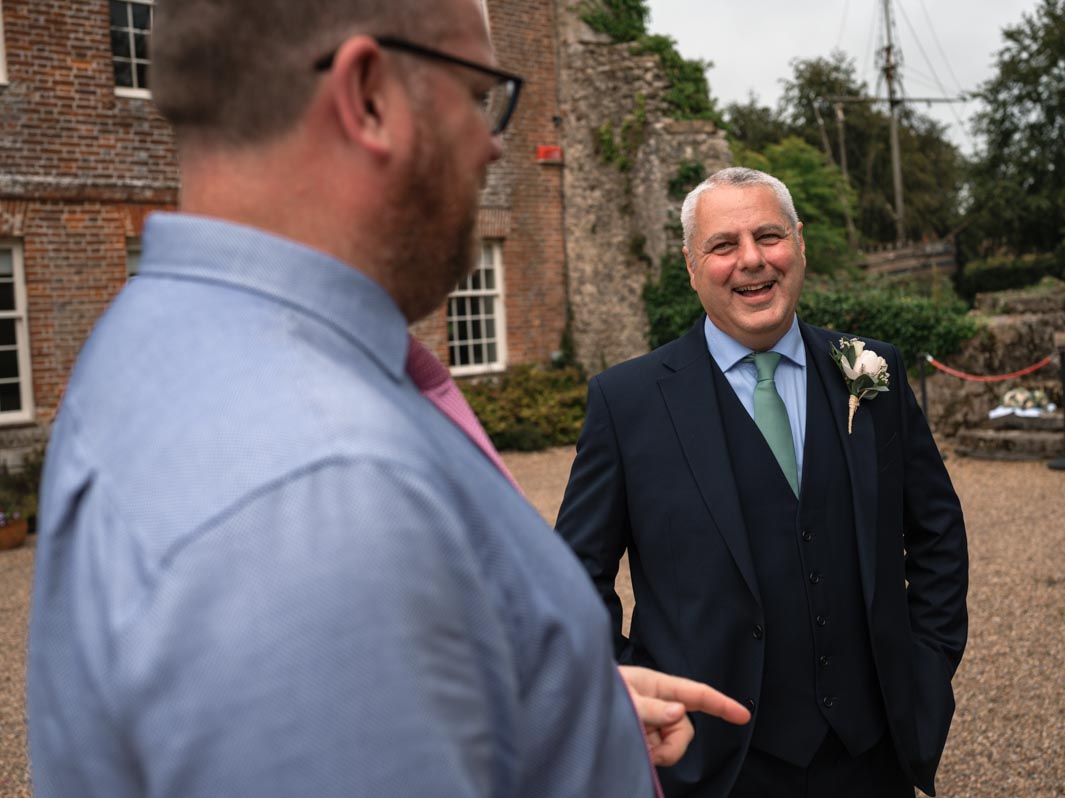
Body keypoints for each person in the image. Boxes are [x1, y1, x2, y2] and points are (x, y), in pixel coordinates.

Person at [24, 1, 748, 795]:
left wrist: (545, 699)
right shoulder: (322, 494)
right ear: (367, 95)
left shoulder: (150, 336)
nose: (493, 142)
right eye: (476, 95)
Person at [556, 167, 969, 797]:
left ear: (799, 244)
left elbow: (937, 529)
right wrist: (630, 693)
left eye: (769, 237)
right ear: (692, 265)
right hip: (710, 765)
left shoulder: (871, 371)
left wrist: (927, 665)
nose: (751, 260)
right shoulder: (628, 401)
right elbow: (573, 578)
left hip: (871, 756)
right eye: (724, 246)